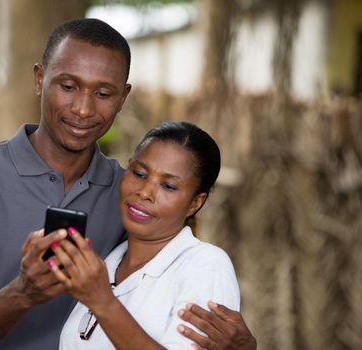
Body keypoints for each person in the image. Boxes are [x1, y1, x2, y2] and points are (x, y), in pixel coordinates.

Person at [0, 18, 256, 350]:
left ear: (123, 97)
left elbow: (171, 283)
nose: (83, 109)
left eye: (103, 93)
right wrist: (23, 292)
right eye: (68, 86)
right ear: (40, 79)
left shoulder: (128, 196)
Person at [53, 121, 240, 349]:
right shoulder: (110, 260)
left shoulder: (206, 266)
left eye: (168, 186)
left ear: (195, 203)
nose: (145, 192)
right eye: (140, 173)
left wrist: (102, 302)